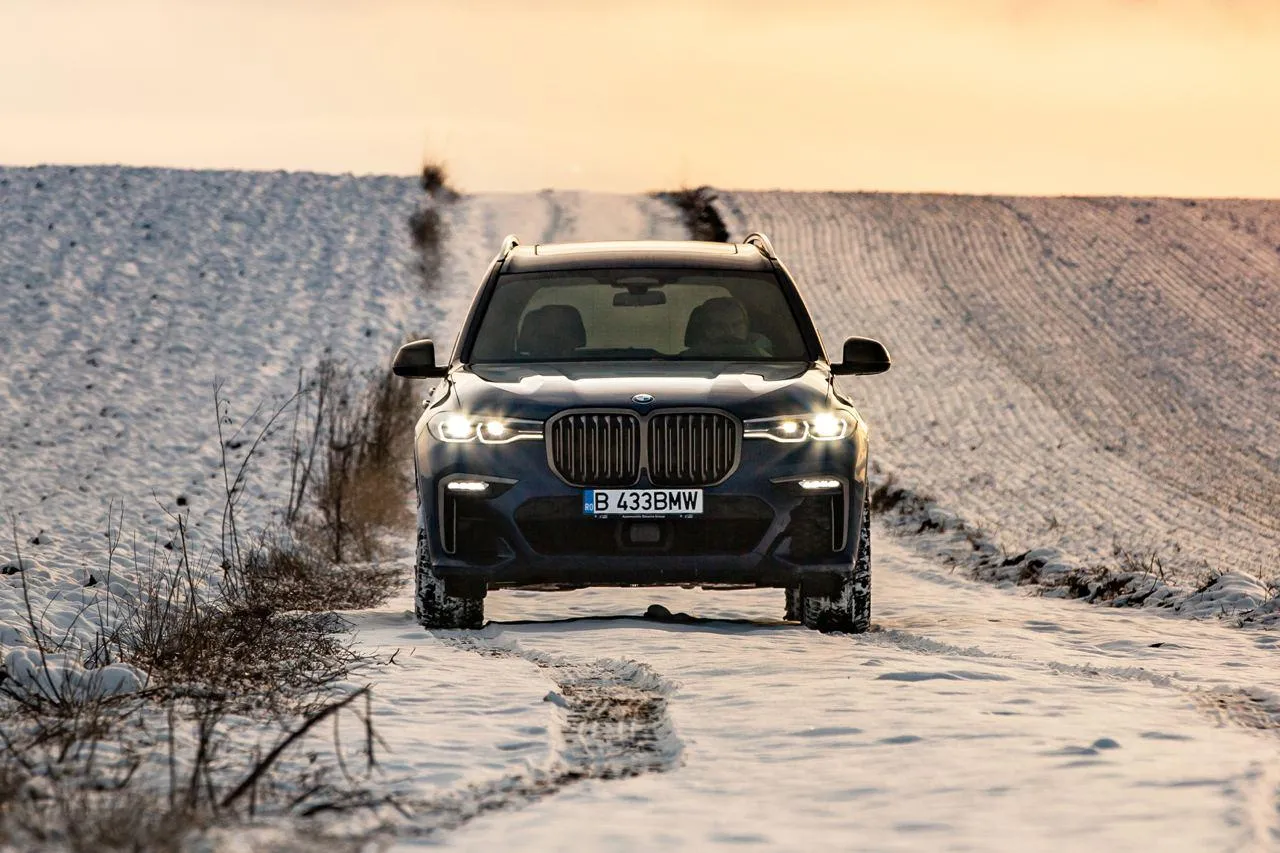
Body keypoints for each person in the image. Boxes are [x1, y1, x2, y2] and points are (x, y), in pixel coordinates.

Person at [683, 296, 773, 357]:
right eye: (720, 326)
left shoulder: (762, 356)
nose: (730, 332)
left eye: (737, 325)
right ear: (707, 330)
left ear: (747, 328)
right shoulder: (684, 363)